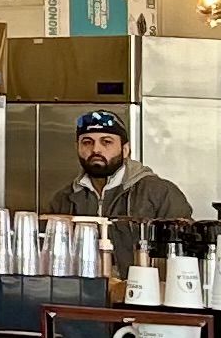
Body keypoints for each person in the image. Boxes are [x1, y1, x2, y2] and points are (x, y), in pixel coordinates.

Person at [57, 108, 192, 269]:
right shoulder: (64, 199)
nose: (96, 150)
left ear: (125, 149)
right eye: (87, 142)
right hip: (82, 291)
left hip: (146, 292)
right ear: (78, 148)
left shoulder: (160, 193)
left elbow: (184, 259)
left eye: (106, 142)